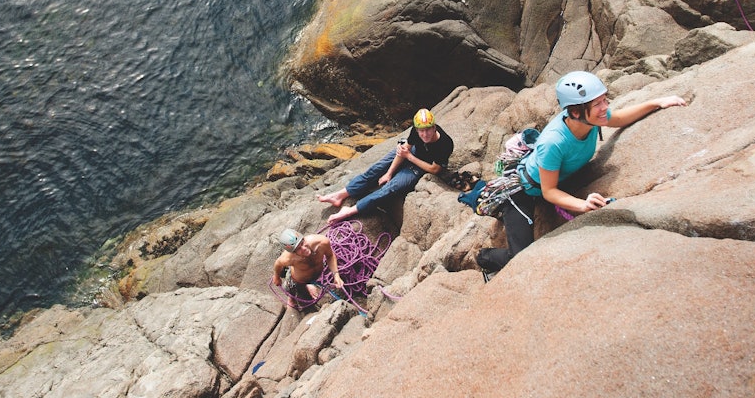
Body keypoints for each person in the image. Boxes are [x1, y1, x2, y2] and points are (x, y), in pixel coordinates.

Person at [479, 71, 686, 273]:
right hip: (524, 190)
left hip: (554, 178)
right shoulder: (553, 142)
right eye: (598, 104)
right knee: (521, 259)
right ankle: (484, 257)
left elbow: (620, 118)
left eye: (605, 100)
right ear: (576, 112)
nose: (606, 107)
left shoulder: (591, 118)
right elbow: (549, 191)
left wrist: (657, 103)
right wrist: (583, 205)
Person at [318, 108, 454, 225]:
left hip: (422, 166)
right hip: (411, 153)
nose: (424, 135)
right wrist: (389, 172)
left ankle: (351, 210)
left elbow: (434, 169)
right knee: (376, 169)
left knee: (391, 188)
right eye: (421, 131)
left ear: (434, 127)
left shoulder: (445, 144)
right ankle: (341, 194)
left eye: (427, 130)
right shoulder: (416, 131)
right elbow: (404, 150)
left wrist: (410, 157)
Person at [272, 228, 344, 309]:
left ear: (304, 238)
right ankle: (291, 298)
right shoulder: (288, 258)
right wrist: (276, 277)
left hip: (318, 272)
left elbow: (330, 255)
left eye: (302, 242)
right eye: (298, 249)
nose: (304, 248)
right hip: (299, 280)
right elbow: (277, 264)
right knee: (291, 288)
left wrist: (336, 275)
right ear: (293, 252)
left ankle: (311, 286)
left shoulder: (321, 242)